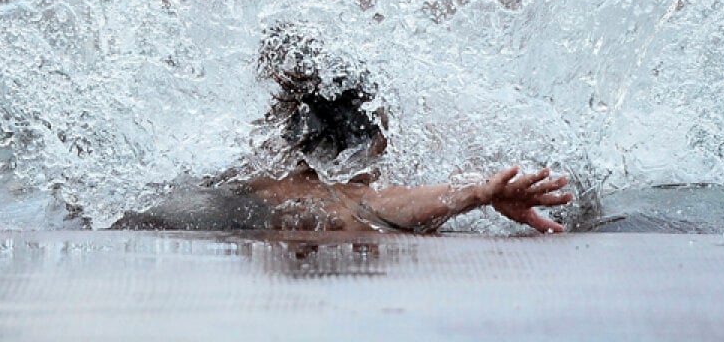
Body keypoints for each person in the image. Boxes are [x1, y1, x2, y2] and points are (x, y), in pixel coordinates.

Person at [112, 22, 574, 233]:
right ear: (364, 147)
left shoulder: (239, 177)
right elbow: (382, 207)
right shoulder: (317, 198)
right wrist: (478, 193)